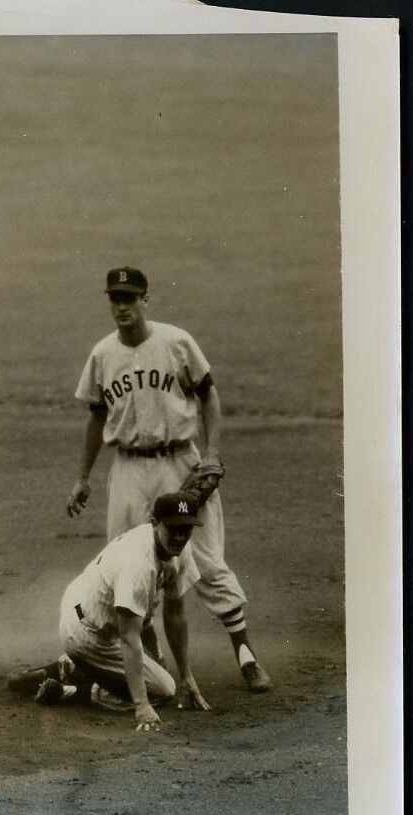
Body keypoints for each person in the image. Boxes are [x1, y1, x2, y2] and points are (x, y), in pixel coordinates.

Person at [64, 266, 271, 692]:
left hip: (179, 460)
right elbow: (96, 416)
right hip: (126, 469)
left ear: (145, 300)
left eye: (129, 298)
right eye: (115, 299)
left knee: (205, 558)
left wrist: (211, 453)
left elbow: (208, 394)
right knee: (128, 563)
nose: (121, 306)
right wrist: (82, 478)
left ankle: (245, 654)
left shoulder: (176, 342)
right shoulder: (102, 355)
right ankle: (151, 658)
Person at [13, 492, 210, 732]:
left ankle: (61, 670)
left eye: (186, 529)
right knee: (164, 689)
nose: (180, 536)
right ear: (154, 522)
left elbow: (175, 615)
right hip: (87, 632)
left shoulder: (178, 549)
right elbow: (128, 638)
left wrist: (187, 677)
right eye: (173, 528)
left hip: (89, 608)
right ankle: (74, 691)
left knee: (159, 670)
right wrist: (142, 706)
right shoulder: (138, 565)